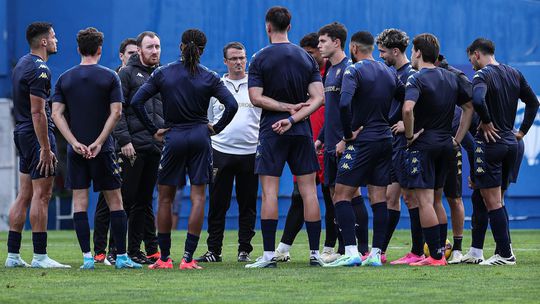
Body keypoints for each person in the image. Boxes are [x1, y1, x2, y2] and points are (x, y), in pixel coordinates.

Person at [131, 28, 238, 270]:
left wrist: (153, 129)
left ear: (180, 47)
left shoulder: (164, 73)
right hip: (200, 136)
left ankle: (165, 258)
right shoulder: (209, 76)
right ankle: (188, 259)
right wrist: (216, 128)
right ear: (202, 50)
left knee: (165, 198)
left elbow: (137, 101)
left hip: (174, 136)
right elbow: (231, 105)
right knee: (198, 196)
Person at [52, 27, 141, 269]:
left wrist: (73, 142)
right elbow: (117, 112)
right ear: (100, 49)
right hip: (104, 150)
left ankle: (87, 258)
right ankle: (121, 257)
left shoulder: (65, 79)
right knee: (115, 201)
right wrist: (100, 141)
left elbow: (56, 114)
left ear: (79, 49)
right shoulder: (109, 77)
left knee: (79, 203)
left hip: (76, 151)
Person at [245, 6, 324, 268]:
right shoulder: (307, 57)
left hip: (272, 130)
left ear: (268, 27)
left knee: (270, 193)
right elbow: (318, 98)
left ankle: (269, 256)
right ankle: (315, 254)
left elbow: (255, 98)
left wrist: (284, 111)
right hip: (300, 130)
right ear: (289, 26)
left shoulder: (259, 58)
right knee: (309, 192)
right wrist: (293, 116)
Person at [324, 31, 404, 267]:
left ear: (354, 48)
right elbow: (406, 97)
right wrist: (392, 120)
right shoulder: (389, 72)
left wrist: (348, 135)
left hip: (362, 141)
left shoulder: (354, 70)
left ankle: (351, 252)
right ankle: (376, 254)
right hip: (384, 140)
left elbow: (345, 103)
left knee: (341, 194)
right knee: (378, 198)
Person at [402, 33, 473, 266]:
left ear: (419, 52)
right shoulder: (450, 77)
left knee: (424, 202)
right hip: (447, 145)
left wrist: (410, 135)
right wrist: (458, 138)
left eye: (412, 51)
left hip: (424, 145)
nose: (411, 55)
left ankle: (434, 256)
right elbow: (469, 107)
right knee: (436, 201)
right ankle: (440, 253)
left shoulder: (416, 78)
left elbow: (408, 109)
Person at [466, 38, 538, 265]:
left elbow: (477, 98)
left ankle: (505, 254)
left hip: (490, 144)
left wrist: (486, 121)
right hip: (511, 144)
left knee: (492, 201)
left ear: (477, 54)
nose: (471, 64)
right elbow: (533, 102)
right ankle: (494, 249)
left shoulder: (482, 75)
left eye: (471, 59)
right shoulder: (513, 73)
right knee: (498, 200)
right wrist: (522, 132)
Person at [5, 22, 70, 269]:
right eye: (53, 36)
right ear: (43, 41)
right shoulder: (40, 69)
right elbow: (38, 113)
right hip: (36, 136)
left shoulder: (21, 63)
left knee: (25, 194)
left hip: (22, 133)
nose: (56, 40)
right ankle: (40, 257)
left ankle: (13, 255)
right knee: (42, 195)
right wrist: (45, 147)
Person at [196, 42, 260, 263]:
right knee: (217, 203)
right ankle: (214, 250)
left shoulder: (255, 86)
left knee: (248, 203)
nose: (238, 62)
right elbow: (207, 120)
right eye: (233, 58)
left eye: (242, 58)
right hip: (220, 152)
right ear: (225, 61)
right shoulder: (216, 86)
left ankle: (245, 250)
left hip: (250, 152)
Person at [376, 28, 424, 265]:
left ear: (396, 51)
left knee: (411, 197)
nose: (381, 56)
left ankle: (418, 251)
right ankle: (380, 251)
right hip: (393, 144)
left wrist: (409, 127)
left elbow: (424, 106)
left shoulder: (411, 75)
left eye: (383, 52)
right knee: (390, 196)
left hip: (407, 145)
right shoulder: (392, 73)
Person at [93, 37, 139, 265]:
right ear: (121, 56)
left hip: (133, 146)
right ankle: (101, 251)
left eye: (135, 53)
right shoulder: (112, 78)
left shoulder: (138, 78)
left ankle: (128, 249)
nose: (134, 57)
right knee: (106, 200)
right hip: (112, 145)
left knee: (127, 199)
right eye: (130, 53)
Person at [434, 54, 475, 264]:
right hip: (431, 146)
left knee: (454, 197)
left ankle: (457, 248)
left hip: (450, 145)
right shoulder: (421, 75)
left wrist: (457, 141)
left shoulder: (455, 76)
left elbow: (468, 110)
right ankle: (437, 248)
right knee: (431, 198)